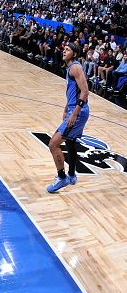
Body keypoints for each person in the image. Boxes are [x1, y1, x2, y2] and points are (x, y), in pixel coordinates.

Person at [46, 42, 89, 193]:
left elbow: (85, 92)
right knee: (70, 141)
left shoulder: (75, 67)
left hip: (78, 112)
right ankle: (71, 175)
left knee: (53, 144)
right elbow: (73, 92)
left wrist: (74, 113)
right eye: (64, 49)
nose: (64, 51)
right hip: (73, 109)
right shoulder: (70, 67)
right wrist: (66, 108)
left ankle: (62, 177)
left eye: (68, 50)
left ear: (75, 54)